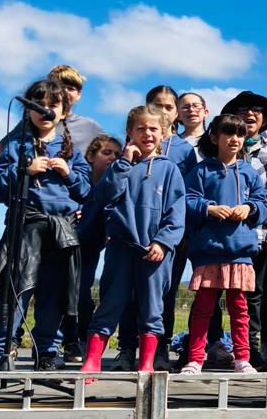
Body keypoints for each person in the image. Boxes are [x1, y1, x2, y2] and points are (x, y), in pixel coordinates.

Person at [0, 79, 91, 372]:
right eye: (38, 105)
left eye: (53, 105)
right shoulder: (15, 146)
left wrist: (68, 173)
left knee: (53, 296)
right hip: (26, 227)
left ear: (63, 111)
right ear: (28, 110)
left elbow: (86, 192)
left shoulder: (72, 151)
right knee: (13, 294)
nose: (45, 111)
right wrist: (24, 171)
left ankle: (47, 353)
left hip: (61, 231)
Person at [80, 106, 186, 377]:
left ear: (163, 133)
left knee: (152, 308)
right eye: (140, 128)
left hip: (155, 252)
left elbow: (176, 213)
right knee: (110, 303)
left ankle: (147, 363)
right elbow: (105, 195)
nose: (147, 134)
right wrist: (124, 163)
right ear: (130, 132)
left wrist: (163, 242)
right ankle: (92, 361)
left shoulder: (170, 169)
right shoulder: (119, 167)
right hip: (120, 248)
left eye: (153, 129)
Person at [179, 114, 267, 375]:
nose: (234, 139)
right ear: (214, 137)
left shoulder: (250, 172)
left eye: (240, 134)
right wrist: (209, 208)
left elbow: (264, 203)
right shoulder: (201, 171)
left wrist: (249, 208)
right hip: (208, 251)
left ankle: (242, 358)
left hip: (240, 252)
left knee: (240, 309)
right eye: (228, 133)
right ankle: (195, 359)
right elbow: (187, 199)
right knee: (203, 308)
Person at [220, 91, 267, 369]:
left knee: (254, 294)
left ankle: (250, 349)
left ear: (265, 118)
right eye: (243, 109)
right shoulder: (220, 151)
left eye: (256, 110)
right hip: (220, 235)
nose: (250, 114)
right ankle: (207, 348)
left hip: (256, 235)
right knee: (213, 292)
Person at [62, 134, 122, 362]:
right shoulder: (80, 179)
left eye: (117, 154)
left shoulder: (114, 182)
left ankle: (81, 338)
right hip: (65, 243)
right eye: (107, 153)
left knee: (81, 294)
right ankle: (65, 340)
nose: (112, 158)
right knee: (62, 293)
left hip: (90, 247)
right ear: (90, 156)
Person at [47, 65, 106, 156]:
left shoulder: (90, 127)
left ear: (79, 94)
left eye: (71, 89)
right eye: (60, 87)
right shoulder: (35, 121)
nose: (65, 91)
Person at [178, 92, 209, 160]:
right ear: (178, 115)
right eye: (185, 107)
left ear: (206, 112)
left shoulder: (215, 140)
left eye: (196, 106)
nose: (191, 109)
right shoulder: (171, 143)